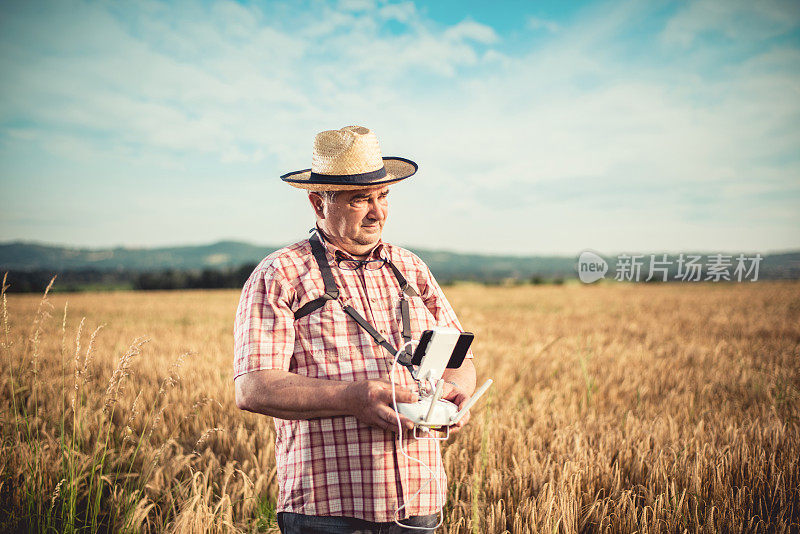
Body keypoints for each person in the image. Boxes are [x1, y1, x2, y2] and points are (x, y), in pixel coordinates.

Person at [233, 125, 477, 534]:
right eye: (360, 199)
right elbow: (253, 388)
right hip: (327, 510)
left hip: (419, 502)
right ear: (317, 202)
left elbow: (457, 357)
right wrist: (354, 398)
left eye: (382, 196)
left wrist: (454, 396)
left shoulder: (412, 268)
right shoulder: (281, 273)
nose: (377, 212)